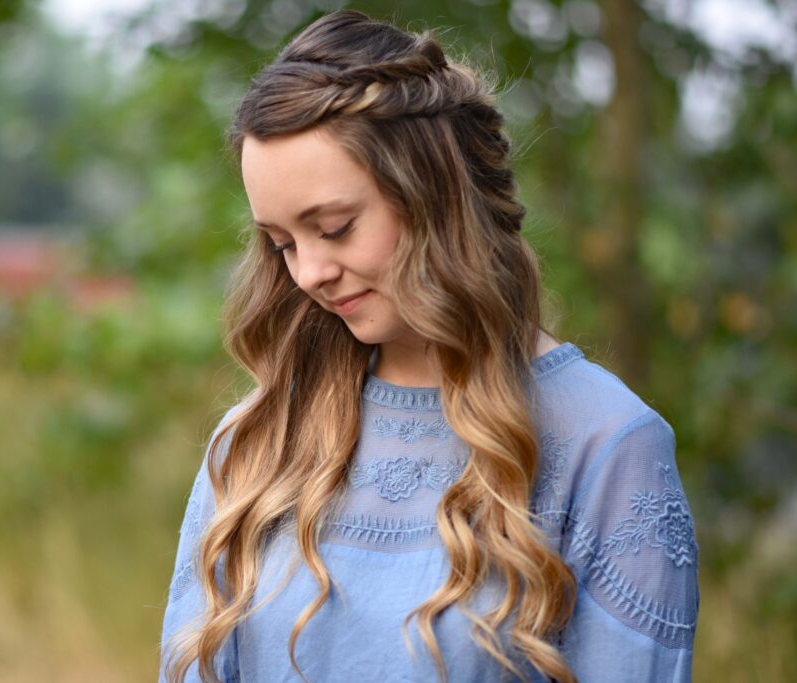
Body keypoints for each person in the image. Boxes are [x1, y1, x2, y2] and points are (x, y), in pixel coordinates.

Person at [160, 10, 698, 683]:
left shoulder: (608, 445)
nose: (309, 273)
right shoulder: (255, 441)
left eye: (334, 227)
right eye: (282, 243)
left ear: (436, 196)